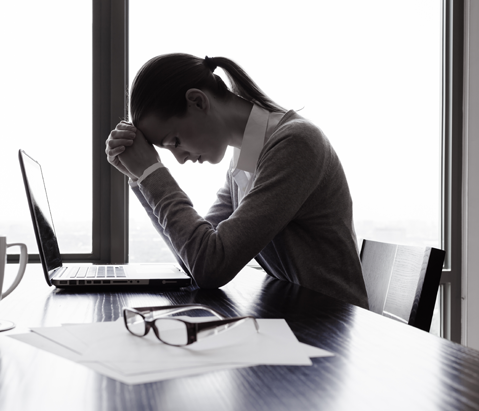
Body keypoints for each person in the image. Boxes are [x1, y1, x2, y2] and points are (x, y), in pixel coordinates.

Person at [105, 53, 368, 309]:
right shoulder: (244, 158)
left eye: (174, 142)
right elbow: (195, 258)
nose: (180, 159)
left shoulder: (295, 144)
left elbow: (211, 266)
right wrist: (140, 177)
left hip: (332, 329)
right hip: (295, 319)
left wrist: (153, 174)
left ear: (197, 101)